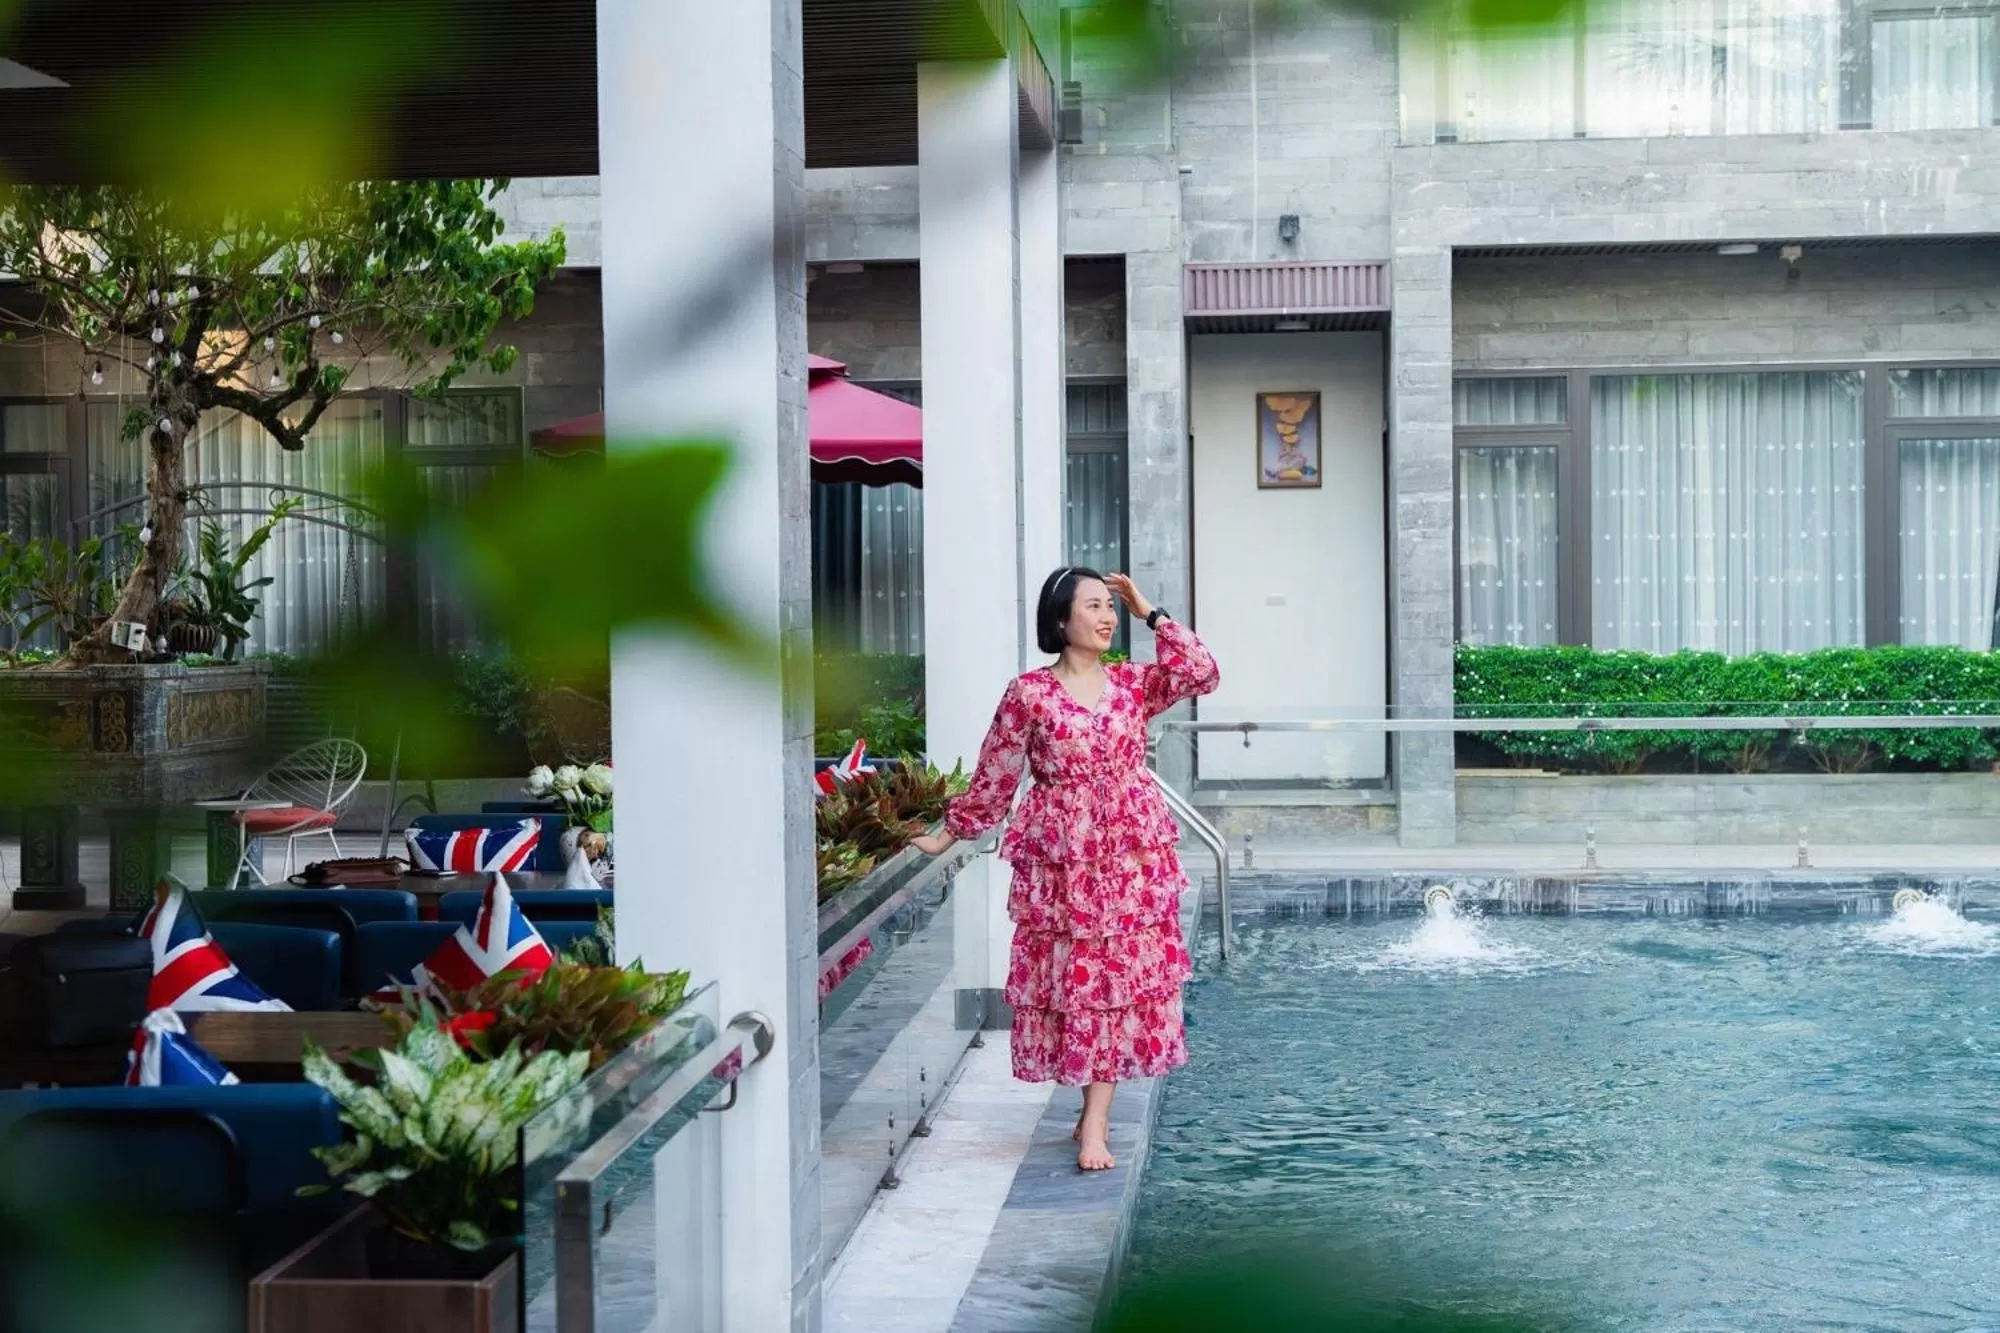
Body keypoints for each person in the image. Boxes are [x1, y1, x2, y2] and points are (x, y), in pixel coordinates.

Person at [912, 568, 1220, 1171]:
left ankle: (1096, 1123)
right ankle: (1088, 1114)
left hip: (1129, 858)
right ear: (1060, 620)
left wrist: (1149, 611)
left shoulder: (1132, 684)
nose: (1107, 617)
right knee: (1078, 983)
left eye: (1111, 607)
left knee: (1118, 983)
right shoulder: (1028, 694)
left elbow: (1202, 672)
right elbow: (996, 773)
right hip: (1063, 862)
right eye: (1095, 607)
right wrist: (950, 832)